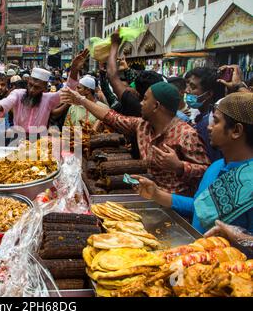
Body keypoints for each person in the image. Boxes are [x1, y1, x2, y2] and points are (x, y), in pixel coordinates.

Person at [61, 81, 210, 196]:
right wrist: (81, 100)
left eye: (145, 99)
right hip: (143, 192)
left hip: (172, 203)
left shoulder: (186, 135)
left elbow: (207, 173)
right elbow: (111, 117)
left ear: (156, 106)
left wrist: (179, 166)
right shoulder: (142, 125)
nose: (140, 103)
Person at [132, 92, 253, 234]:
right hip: (198, 253)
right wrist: (157, 194)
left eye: (216, 121)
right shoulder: (216, 167)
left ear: (236, 131)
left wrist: (240, 238)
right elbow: (199, 208)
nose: (209, 127)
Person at [0, 50, 89, 135]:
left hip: (40, 140)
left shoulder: (48, 99)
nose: (32, 90)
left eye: (37, 87)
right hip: (18, 139)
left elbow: (69, 89)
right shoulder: (18, 93)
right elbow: (8, 101)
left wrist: (74, 70)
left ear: (44, 88)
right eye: (31, 85)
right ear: (28, 81)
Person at [185, 67, 225, 162]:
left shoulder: (208, 124)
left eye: (193, 87)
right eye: (188, 85)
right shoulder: (201, 117)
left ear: (208, 94)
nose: (187, 90)